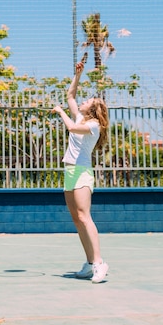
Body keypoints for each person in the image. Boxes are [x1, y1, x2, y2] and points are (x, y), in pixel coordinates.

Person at [52, 59, 110, 284]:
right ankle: (89, 263)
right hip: (69, 171)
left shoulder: (93, 125)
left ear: (94, 110)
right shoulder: (81, 116)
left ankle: (99, 263)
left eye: (89, 101)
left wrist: (59, 112)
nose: (84, 101)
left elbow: (72, 127)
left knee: (85, 217)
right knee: (77, 219)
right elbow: (70, 96)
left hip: (82, 171)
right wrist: (78, 75)